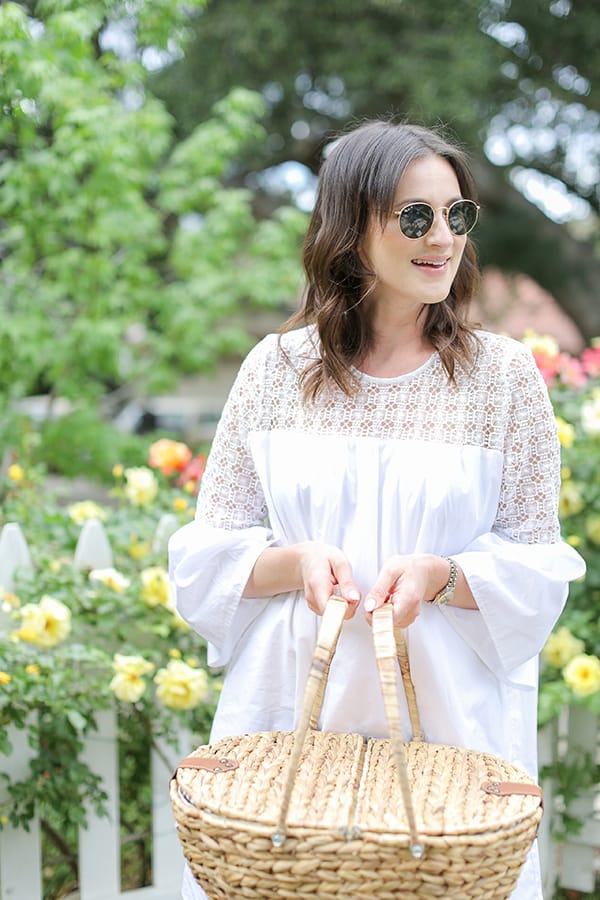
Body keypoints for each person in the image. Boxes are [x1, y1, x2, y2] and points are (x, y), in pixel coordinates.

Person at [168, 119, 586, 900]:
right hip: (288, 716)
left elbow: (539, 567)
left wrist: (443, 574)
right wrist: (295, 563)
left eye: (457, 215)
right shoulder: (274, 370)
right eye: (415, 216)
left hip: (446, 732)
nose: (443, 238)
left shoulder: (503, 378)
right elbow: (204, 558)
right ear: (349, 228)